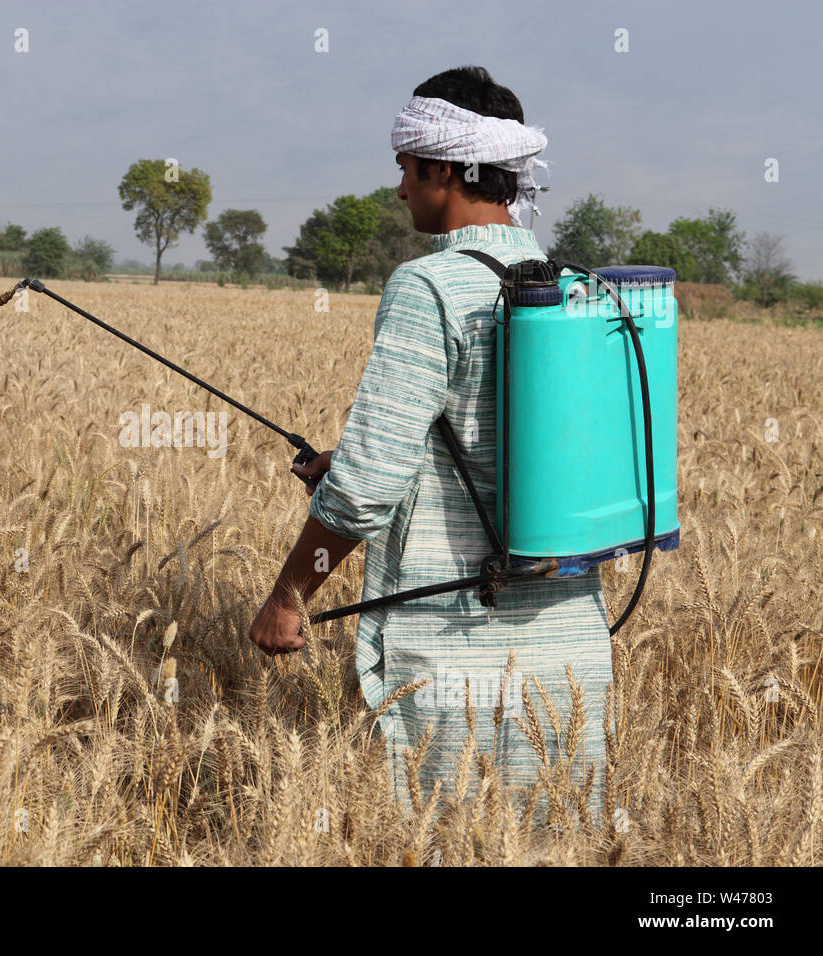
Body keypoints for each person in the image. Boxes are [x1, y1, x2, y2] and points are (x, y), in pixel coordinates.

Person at [249, 67, 610, 818]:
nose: (402, 189)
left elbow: (368, 488)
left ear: (444, 168)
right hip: (574, 651)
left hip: (456, 655)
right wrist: (348, 463)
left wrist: (290, 597)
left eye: (406, 168)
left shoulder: (429, 287)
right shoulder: (578, 289)